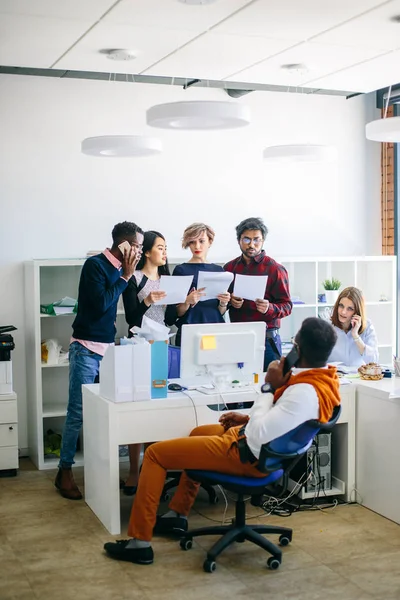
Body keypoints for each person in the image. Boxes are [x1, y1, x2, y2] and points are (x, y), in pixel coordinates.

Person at [103, 317, 340, 565]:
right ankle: (177, 515)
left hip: (245, 455)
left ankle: (139, 543)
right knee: (198, 433)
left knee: (155, 455)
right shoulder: (321, 380)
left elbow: (261, 432)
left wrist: (268, 388)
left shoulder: (303, 393)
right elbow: (285, 422)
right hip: (252, 442)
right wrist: (246, 418)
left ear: (298, 349)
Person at [55, 221, 144, 500]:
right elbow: (100, 304)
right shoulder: (94, 266)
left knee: (105, 412)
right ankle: (64, 472)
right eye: (138, 246)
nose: (140, 251)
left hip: (108, 349)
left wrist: (128, 277)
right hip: (85, 349)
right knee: (77, 413)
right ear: (124, 245)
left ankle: (99, 468)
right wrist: (126, 277)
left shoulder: (121, 271)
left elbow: (127, 309)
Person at [121, 231, 176, 496]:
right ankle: (133, 470)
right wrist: (147, 300)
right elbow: (130, 317)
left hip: (162, 346)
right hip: (139, 346)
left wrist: (186, 303)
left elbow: (173, 317)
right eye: (160, 248)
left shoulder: (168, 279)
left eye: (166, 248)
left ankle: (155, 467)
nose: (164, 253)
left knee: (159, 408)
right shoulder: (134, 278)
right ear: (146, 252)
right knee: (138, 409)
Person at [224, 217, 292, 372]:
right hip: (238, 337)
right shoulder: (229, 268)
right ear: (239, 240)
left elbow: (287, 305)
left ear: (263, 241)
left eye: (257, 240)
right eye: (246, 239)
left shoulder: (275, 269)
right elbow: (221, 301)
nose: (251, 244)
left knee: (270, 386)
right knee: (237, 385)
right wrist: (230, 302)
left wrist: (269, 308)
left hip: (267, 339)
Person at [166, 223, 230, 346]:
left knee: (212, 363)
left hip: (213, 332)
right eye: (192, 242)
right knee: (187, 365)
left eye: (201, 241)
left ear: (210, 242)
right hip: (190, 331)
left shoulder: (218, 271)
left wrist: (224, 302)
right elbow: (175, 314)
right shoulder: (181, 270)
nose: (197, 246)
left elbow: (219, 312)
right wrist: (187, 301)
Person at [328, 286, 379, 367]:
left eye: (350, 309)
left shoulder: (367, 326)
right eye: (341, 306)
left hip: (359, 376)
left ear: (357, 312)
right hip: (334, 375)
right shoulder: (327, 326)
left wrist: (356, 336)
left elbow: (373, 361)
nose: (343, 312)